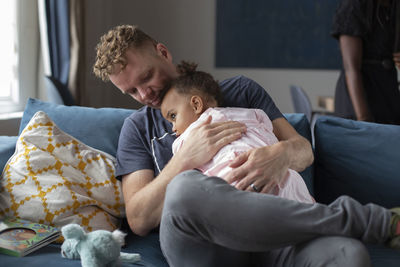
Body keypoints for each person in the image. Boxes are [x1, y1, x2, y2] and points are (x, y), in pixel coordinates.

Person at [93, 24, 400, 267]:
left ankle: (358, 228)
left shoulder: (241, 91)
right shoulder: (136, 128)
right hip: (206, 250)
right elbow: (138, 218)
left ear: (163, 52)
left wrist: (281, 154)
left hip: (277, 238)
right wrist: (184, 159)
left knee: (349, 255)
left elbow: (303, 149)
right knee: (185, 187)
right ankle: (364, 220)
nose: (144, 94)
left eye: (146, 77)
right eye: (131, 91)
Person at [161, 61, 314, 204]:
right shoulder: (244, 113)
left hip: (235, 181)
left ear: (196, 105)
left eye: (173, 117)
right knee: (303, 201)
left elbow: (182, 161)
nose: (173, 128)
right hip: (282, 177)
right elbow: (264, 123)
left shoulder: (189, 135)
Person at [331, 0, 400, 124]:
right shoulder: (354, 5)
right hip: (359, 100)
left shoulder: (395, 6)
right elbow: (351, 69)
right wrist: (364, 119)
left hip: (388, 94)